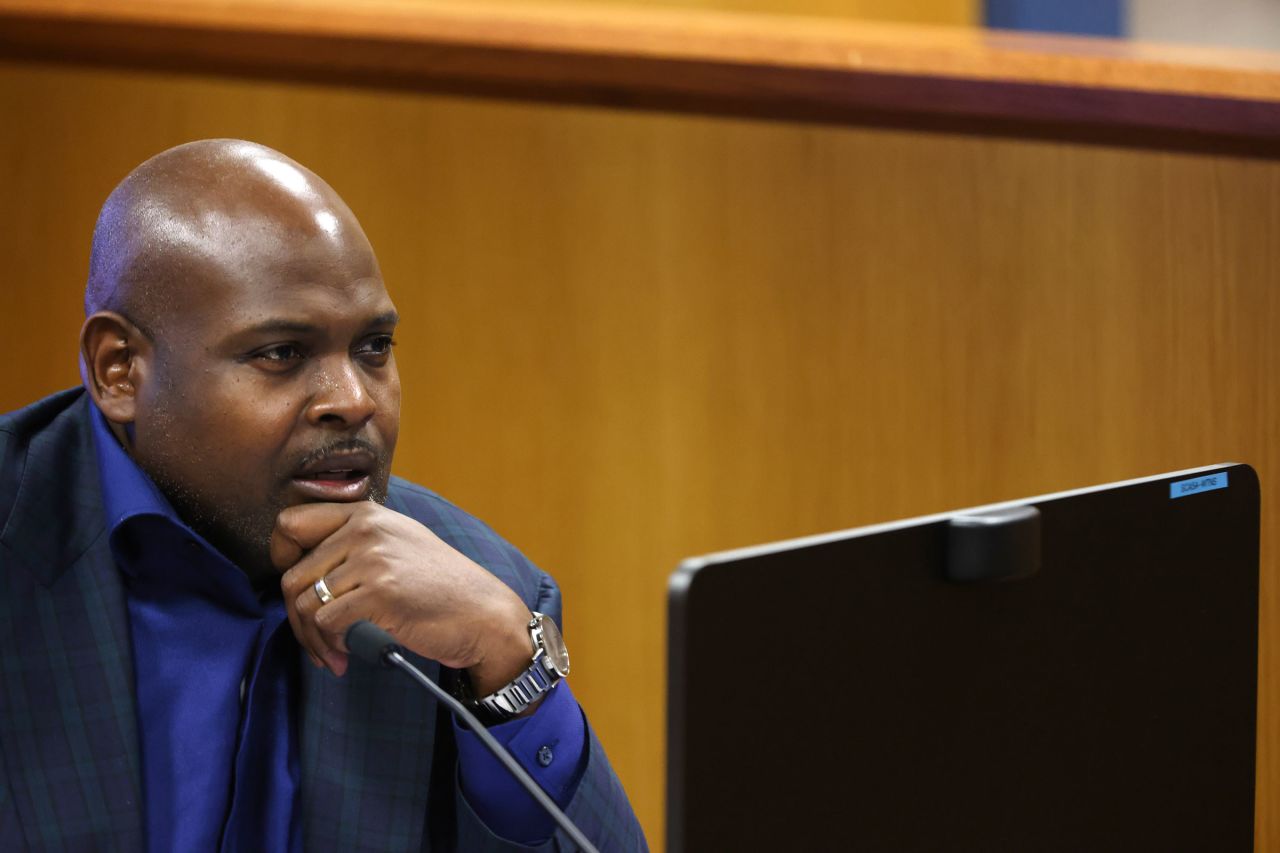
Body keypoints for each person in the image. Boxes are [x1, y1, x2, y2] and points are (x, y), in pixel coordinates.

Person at [0, 139, 647, 852]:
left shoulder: (478, 598)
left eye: (374, 347)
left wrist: (511, 661)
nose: (353, 399)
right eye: (281, 353)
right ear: (120, 370)